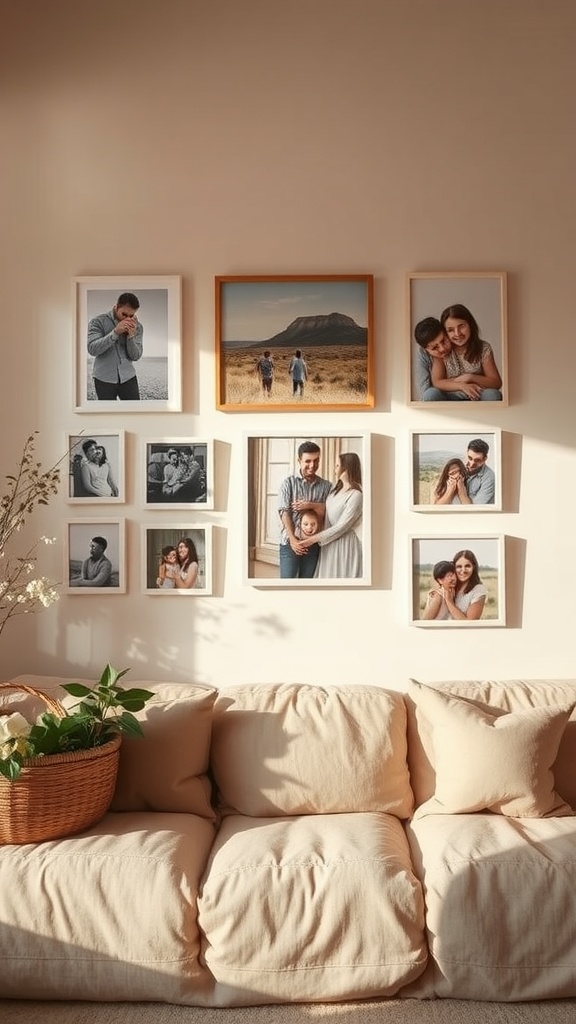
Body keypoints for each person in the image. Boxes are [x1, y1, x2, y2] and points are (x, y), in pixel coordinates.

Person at [298, 452, 363, 579]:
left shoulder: (356, 495)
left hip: (345, 546)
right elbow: (328, 516)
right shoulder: (334, 490)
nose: (335, 469)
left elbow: (341, 527)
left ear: (346, 469)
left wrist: (311, 540)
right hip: (328, 544)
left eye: (337, 466)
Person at [277, 441, 332, 579]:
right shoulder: (288, 483)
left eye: (316, 460)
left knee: (307, 584)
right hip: (290, 543)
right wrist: (293, 540)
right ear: (299, 461)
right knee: (286, 585)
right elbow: (284, 512)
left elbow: (330, 512)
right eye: (307, 461)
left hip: (313, 544)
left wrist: (310, 505)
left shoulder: (326, 486)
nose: (312, 465)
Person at [431, 304, 502, 401]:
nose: (457, 333)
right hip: (451, 395)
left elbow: (496, 383)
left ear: (470, 325)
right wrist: (461, 386)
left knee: (493, 394)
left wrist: (470, 377)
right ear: (445, 332)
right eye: (450, 330)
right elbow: (437, 382)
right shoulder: (443, 349)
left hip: (477, 393)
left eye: (461, 326)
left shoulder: (483, 348)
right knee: (431, 394)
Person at [87, 291, 143, 400]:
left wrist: (131, 337)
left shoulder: (138, 327)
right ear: (116, 307)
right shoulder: (97, 322)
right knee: (106, 415)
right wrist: (115, 333)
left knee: (134, 413)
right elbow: (92, 349)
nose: (127, 319)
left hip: (128, 377)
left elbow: (136, 356)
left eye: (131, 315)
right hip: (103, 378)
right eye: (124, 314)